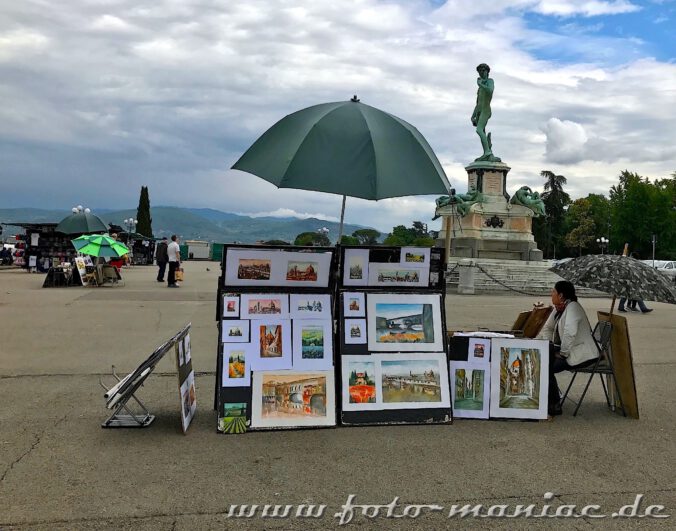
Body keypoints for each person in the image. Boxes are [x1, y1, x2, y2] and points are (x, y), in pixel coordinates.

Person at [537, 280, 598, 417]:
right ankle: (551, 398)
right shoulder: (559, 308)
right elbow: (548, 328)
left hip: (582, 354)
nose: (551, 294)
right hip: (569, 350)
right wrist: (547, 345)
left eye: (553, 291)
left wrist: (563, 354)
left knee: (547, 367)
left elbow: (570, 332)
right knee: (543, 361)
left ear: (561, 295)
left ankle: (554, 404)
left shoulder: (573, 307)